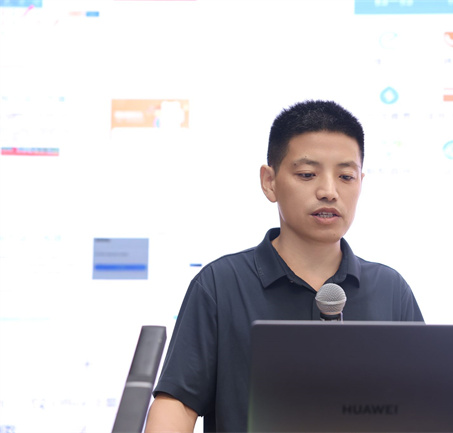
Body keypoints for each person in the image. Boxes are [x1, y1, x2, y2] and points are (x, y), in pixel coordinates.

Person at [144, 100, 424, 433]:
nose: (329, 191)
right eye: (307, 174)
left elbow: (424, 407)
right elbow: (177, 403)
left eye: (346, 176)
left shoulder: (390, 291)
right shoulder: (220, 285)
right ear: (270, 181)